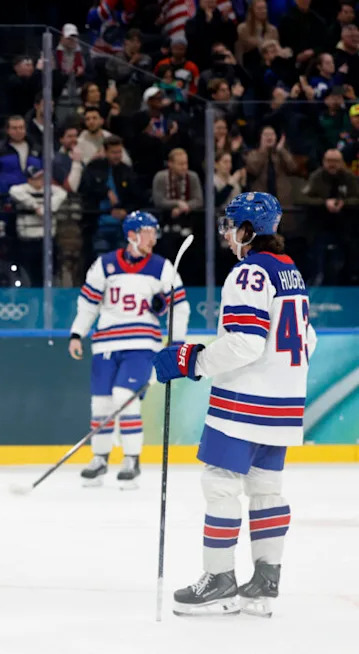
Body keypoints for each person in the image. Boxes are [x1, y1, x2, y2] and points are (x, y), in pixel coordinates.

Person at [152, 192, 315, 618]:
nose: (227, 233)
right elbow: (307, 340)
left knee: (221, 483)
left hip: (244, 399)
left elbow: (245, 342)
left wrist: (193, 360)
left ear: (249, 230)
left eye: (232, 224)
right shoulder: (289, 270)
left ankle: (219, 580)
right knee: (266, 489)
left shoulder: (249, 273)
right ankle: (264, 584)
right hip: (284, 402)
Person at [68, 211, 190, 487]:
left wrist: (176, 343)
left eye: (155, 232)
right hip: (105, 345)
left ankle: (131, 459)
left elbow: (180, 307)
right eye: (148, 232)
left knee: (125, 397)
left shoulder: (162, 267)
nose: (153, 238)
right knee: (101, 404)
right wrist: (77, 333)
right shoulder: (105, 265)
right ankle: (100, 459)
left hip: (141, 345)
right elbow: (88, 304)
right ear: (132, 235)